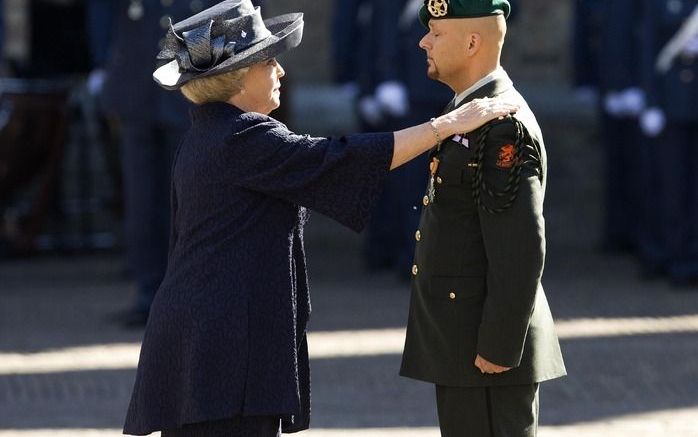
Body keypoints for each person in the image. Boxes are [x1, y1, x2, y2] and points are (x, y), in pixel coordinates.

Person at [122, 1, 518, 435]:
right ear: (236, 78)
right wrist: (450, 123)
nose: (281, 72)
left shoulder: (212, 132)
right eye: (269, 61)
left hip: (205, 343)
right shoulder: (241, 138)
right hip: (222, 351)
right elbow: (337, 159)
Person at [399, 1, 567, 436]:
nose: (423, 42)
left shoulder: (501, 125)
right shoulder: (470, 111)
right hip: (462, 342)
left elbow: (521, 247)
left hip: (485, 353)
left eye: (436, 34)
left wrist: (499, 345)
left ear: (472, 42)